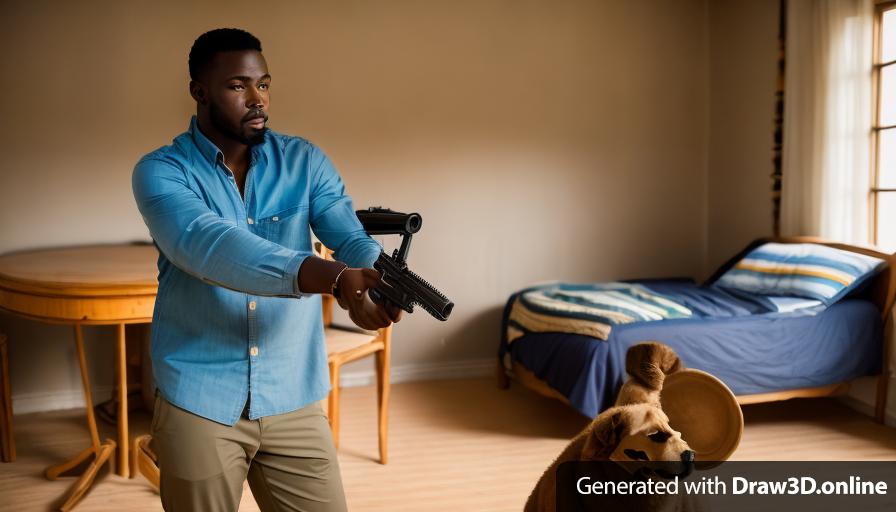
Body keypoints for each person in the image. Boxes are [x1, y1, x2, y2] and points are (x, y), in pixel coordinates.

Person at [132, 27, 401, 512]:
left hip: (292, 393)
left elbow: (349, 237)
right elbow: (211, 246)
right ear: (200, 92)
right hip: (200, 398)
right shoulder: (160, 171)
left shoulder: (305, 160)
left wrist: (379, 284)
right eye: (238, 86)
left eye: (264, 84)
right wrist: (335, 280)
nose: (258, 99)